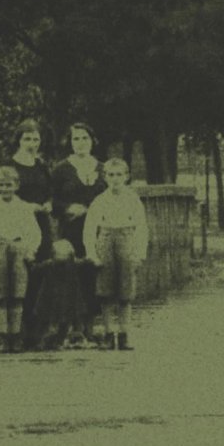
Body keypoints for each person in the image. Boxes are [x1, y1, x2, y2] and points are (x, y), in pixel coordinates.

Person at [0, 120, 59, 349]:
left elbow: (50, 191)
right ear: (18, 140)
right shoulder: (9, 165)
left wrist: (48, 203)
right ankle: (17, 332)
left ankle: (39, 331)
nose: (32, 143)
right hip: (17, 224)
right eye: (27, 139)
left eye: (35, 139)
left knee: (41, 273)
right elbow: (1, 194)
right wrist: (27, 207)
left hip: (40, 225)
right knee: (19, 274)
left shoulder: (41, 166)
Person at [50, 122, 107, 349]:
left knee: (93, 274)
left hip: (99, 230)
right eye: (76, 139)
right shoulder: (61, 169)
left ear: (93, 141)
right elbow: (51, 201)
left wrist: (95, 212)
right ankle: (73, 329)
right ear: (70, 142)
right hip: (72, 229)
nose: (81, 143)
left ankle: (90, 328)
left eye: (85, 138)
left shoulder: (103, 168)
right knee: (72, 274)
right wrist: (67, 208)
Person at [84, 157, 150, 351]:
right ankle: (108, 333)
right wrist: (92, 253)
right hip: (105, 240)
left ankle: (124, 334)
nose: (115, 179)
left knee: (125, 291)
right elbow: (90, 229)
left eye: (119, 175)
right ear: (105, 177)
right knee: (105, 291)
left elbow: (142, 227)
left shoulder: (132, 199)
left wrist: (140, 253)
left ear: (127, 176)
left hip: (127, 239)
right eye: (111, 175)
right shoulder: (100, 200)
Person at [0, 165, 43, 352]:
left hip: (19, 249)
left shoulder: (23, 208)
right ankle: (2, 337)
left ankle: (16, 336)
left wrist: (31, 250)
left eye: (9, 185)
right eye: (1, 185)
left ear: (17, 185)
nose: (5, 189)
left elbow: (34, 233)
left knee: (17, 295)